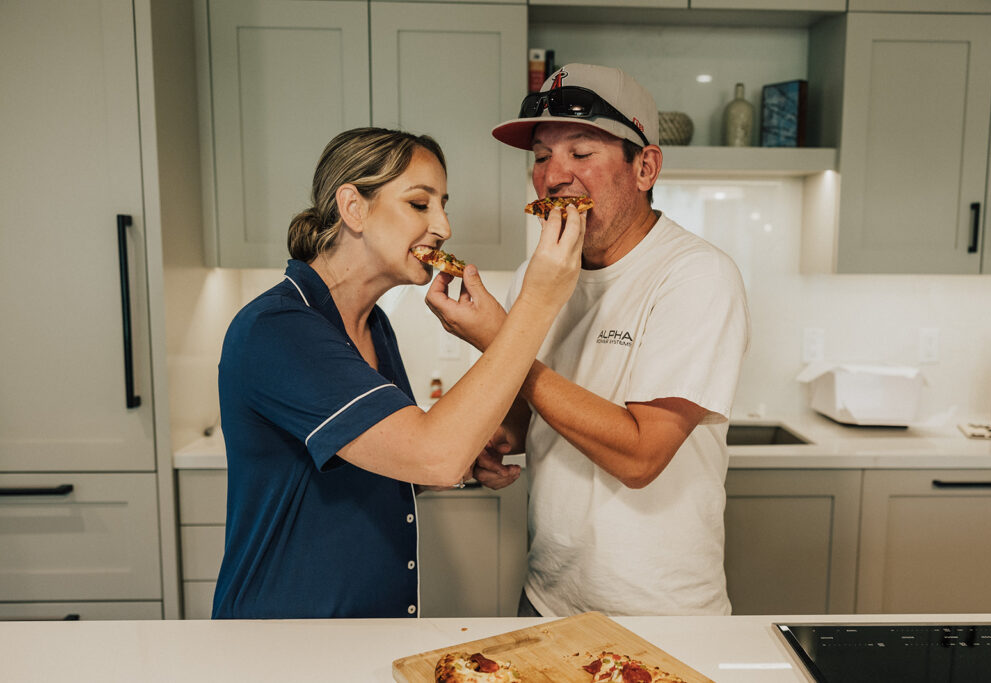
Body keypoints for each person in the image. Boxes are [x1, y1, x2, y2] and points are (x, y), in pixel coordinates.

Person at [212, 127, 584, 619]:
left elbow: (393, 456)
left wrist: (468, 454)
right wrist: (538, 301)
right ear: (353, 207)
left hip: (367, 633)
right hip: (287, 638)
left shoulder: (372, 324)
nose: (444, 226)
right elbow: (433, 456)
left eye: (443, 204)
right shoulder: (279, 329)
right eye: (419, 204)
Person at [433, 64, 750, 617]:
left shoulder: (696, 274)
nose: (555, 176)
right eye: (540, 157)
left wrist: (501, 341)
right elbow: (539, 414)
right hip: (547, 596)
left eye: (581, 154)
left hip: (659, 612)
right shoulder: (539, 275)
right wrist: (500, 436)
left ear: (645, 166)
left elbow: (639, 455)